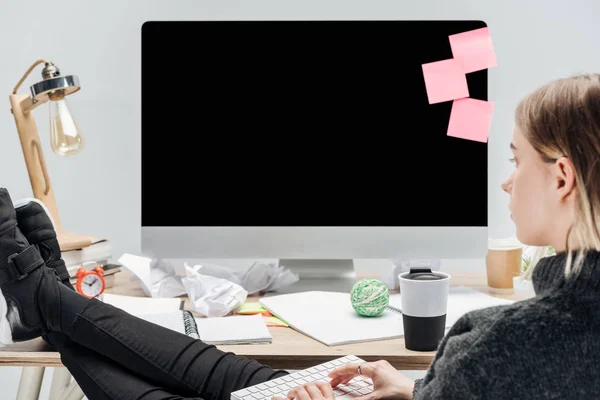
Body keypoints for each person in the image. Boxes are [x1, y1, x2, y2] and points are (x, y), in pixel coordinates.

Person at [1, 73, 600, 400]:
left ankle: (50, 303)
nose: (505, 181)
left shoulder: (501, 343)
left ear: (563, 177)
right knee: (219, 370)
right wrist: (411, 390)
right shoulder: (524, 340)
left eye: (517, 160)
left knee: (195, 387)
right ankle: (52, 302)